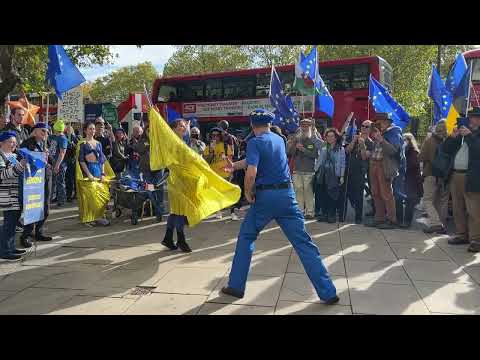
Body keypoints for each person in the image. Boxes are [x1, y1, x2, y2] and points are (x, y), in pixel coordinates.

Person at [220, 109, 339, 304]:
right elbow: (259, 160)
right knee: (304, 243)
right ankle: (328, 292)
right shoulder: (279, 139)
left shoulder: (254, 142)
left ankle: (236, 286)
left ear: (252, 124)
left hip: (266, 197)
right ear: (268, 124)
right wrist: (234, 165)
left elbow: (252, 172)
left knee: (247, 236)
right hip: (287, 196)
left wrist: (247, 193)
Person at [442, 107, 480, 253]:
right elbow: (445, 149)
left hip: (473, 176)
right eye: (469, 117)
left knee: (473, 209)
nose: (470, 119)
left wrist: (470, 136)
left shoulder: (474, 135)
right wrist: (453, 137)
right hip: (456, 174)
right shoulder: (462, 133)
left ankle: (476, 239)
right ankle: (461, 234)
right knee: (457, 207)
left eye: (473, 117)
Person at [366, 113, 404, 229]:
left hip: (384, 166)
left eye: (380, 122)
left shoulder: (394, 132)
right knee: (375, 193)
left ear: (387, 122)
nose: (378, 124)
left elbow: (393, 151)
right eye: (377, 122)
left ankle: (392, 220)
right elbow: (376, 149)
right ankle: (379, 218)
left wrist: (381, 139)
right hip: (374, 164)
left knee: (386, 194)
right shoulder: (380, 132)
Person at [19, 123, 53, 247]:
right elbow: (22, 159)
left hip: (46, 178)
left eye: (47, 132)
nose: (46, 134)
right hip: (33, 181)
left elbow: (50, 162)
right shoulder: (27, 144)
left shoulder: (45, 144)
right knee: (32, 207)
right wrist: (38, 156)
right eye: (43, 131)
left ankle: (39, 232)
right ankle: (26, 235)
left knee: (45, 208)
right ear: (35, 132)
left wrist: (47, 157)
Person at [161, 119, 192, 253]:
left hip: (183, 179)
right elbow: (171, 161)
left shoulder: (182, 141)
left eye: (184, 126)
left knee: (176, 211)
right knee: (179, 210)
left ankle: (168, 238)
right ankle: (181, 239)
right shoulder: (172, 142)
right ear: (173, 129)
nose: (183, 127)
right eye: (180, 125)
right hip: (176, 179)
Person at [0, 131, 27, 261]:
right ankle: (4, 250)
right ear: (2, 143)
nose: (13, 144)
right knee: (9, 223)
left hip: (17, 193)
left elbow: (19, 170)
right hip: (7, 194)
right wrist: (20, 166)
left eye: (15, 142)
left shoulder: (13, 155)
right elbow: (3, 174)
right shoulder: (1, 156)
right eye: (11, 142)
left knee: (14, 222)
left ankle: (10, 247)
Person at [419, 119, 449, 234]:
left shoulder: (430, 140)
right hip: (445, 175)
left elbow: (421, 157)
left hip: (431, 174)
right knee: (441, 202)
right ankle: (441, 226)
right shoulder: (449, 140)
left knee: (427, 200)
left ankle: (436, 224)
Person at [78, 121, 110, 227]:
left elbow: (102, 160)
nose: (92, 131)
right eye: (90, 129)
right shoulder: (82, 144)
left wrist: (102, 173)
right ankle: (90, 218)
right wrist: (88, 174)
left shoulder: (98, 143)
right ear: (85, 130)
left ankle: (99, 216)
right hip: (88, 171)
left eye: (93, 129)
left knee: (103, 195)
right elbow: (81, 161)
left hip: (98, 171)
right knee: (91, 197)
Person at [342, 120, 374, 224]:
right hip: (348, 168)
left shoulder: (370, 142)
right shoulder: (354, 137)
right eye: (363, 126)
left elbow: (365, 157)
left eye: (367, 127)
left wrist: (363, 145)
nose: (364, 128)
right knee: (346, 193)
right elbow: (347, 151)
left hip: (360, 170)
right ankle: (342, 215)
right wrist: (353, 141)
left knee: (358, 194)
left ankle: (358, 217)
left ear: (370, 129)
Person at [134, 124, 167, 222]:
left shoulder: (159, 140)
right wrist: (149, 143)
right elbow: (139, 150)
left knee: (159, 189)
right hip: (147, 170)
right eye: (148, 130)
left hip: (158, 169)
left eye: (152, 130)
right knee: (150, 189)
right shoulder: (142, 141)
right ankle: (157, 208)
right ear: (145, 131)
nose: (150, 132)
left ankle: (159, 209)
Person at [287, 118, 319, 219]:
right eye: (303, 125)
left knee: (308, 191)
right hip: (297, 169)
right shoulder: (297, 138)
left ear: (310, 126)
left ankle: (310, 212)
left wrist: (304, 150)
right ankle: (299, 211)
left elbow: (315, 155)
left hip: (309, 170)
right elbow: (289, 153)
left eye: (307, 125)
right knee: (298, 190)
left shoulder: (314, 138)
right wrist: (294, 146)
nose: (305, 127)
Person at [314, 128, 346, 223]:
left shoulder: (341, 149)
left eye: (332, 136)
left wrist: (342, 176)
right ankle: (324, 214)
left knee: (332, 195)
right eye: (328, 136)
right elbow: (320, 161)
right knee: (323, 195)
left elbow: (343, 163)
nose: (330, 138)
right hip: (323, 174)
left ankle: (331, 215)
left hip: (334, 175)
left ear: (336, 137)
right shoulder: (324, 148)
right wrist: (315, 171)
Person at [204, 127, 233, 219]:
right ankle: (218, 211)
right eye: (213, 135)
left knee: (226, 192)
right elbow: (206, 161)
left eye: (217, 135)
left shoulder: (225, 146)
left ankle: (231, 212)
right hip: (213, 174)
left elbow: (230, 160)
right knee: (216, 193)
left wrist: (230, 169)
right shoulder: (208, 147)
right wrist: (211, 152)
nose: (215, 137)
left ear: (220, 136)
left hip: (225, 173)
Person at [397, 133, 423, 228]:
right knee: (402, 200)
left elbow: (412, 165)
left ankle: (407, 222)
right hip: (405, 179)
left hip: (412, 180)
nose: (403, 141)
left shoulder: (413, 152)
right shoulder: (403, 151)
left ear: (409, 141)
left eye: (405, 140)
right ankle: (400, 220)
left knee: (409, 202)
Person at [49, 120, 68, 207]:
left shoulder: (63, 138)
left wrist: (57, 165)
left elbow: (62, 153)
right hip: (53, 162)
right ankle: (54, 197)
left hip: (60, 164)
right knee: (53, 182)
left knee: (60, 182)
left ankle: (62, 200)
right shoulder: (53, 136)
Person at [64, 125, 79, 202]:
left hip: (73, 160)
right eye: (67, 129)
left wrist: (73, 145)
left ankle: (76, 194)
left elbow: (78, 148)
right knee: (68, 179)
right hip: (66, 160)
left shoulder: (75, 137)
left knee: (73, 178)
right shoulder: (64, 137)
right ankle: (68, 195)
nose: (68, 130)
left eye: (70, 129)